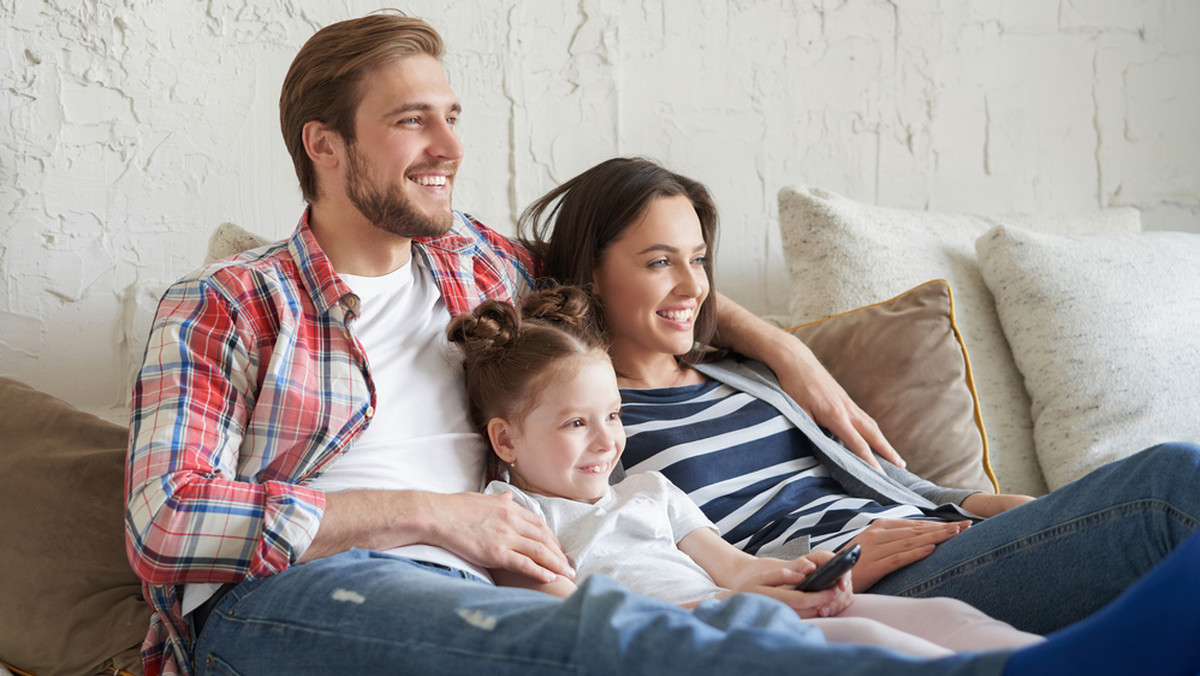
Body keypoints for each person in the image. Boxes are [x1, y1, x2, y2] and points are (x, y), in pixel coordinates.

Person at [125, 11, 1007, 676]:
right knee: (599, 637)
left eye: (451, 115)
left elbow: (637, 271)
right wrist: (432, 514)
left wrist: (779, 345)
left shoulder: (477, 264)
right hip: (291, 604)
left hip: (496, 583)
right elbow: (165, 520)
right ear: (324, 145)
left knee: (675, 623)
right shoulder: (227, 305)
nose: (450, 146)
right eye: (411, 122)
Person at [520, 156, 1200, 635]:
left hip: (932, 534)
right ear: (592, 272)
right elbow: (631, 559)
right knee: (1171, 482)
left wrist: (1002, 507)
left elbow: (890, 483)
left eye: (697, 259)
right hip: (854, 584)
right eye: (658, 260)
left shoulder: (739, 372)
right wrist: (815, 567)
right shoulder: (587, 422)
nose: (694, 286)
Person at [447, 285, 1044, 657]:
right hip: (692, 640)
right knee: (873, 644)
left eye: (612, 415)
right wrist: (742, 606)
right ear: (506, 440)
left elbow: (738, 568)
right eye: (576, 424)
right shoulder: (515, 519)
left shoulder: (649, 489)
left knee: (943, 617)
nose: (607, 441)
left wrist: (800, 575)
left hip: (740, 609)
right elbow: (570, 622)